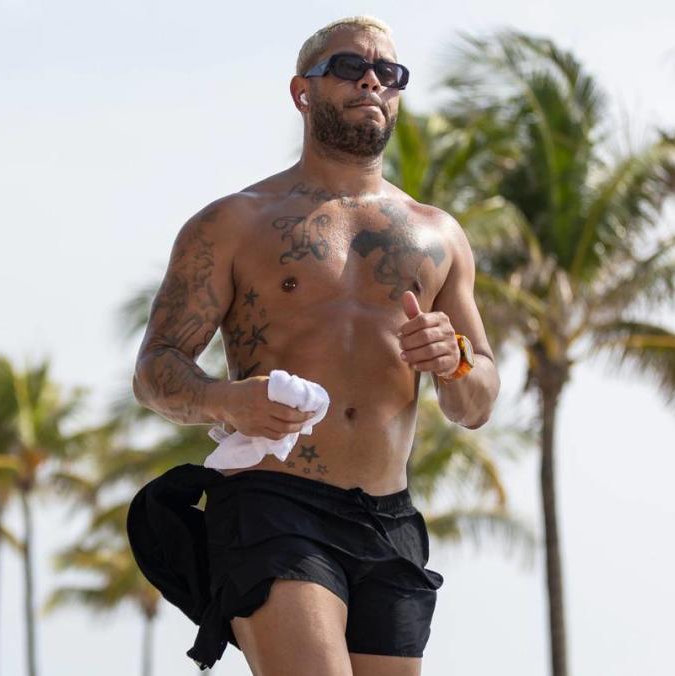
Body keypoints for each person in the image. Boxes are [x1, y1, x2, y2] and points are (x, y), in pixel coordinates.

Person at [128, 15, 500, 676]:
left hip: (389, 519)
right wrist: (225, 400)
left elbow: (476, 402)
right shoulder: (235, 223)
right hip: (275, 504)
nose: (370, 80)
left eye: (388, 72)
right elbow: (155, 370)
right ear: (303, 91)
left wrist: (456, 359)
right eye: (349, 66)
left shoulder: (439, 234)